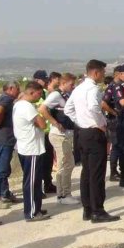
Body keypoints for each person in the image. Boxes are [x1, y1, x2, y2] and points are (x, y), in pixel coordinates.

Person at [65, 59, 120, 223]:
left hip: (82, 133)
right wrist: (100, 124)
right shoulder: (93, 89)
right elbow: (94, 108)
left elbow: (68, 109)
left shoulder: (79, 88)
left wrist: (81, 121)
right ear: (95, 72)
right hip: (94, 132)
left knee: (86, 172)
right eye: (103, 72)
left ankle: (87, 209)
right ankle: (98, 210)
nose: (104, 75)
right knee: (97, 173)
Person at [12, 82, 51, 222]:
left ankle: (36, 207)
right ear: (32, 92)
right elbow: (42, 124)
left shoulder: (19, 104)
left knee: (34, 180)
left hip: (27, 147)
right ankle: (32, 212)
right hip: (31, 148)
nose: (40, 97)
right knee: (32, 182)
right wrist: (40, 117)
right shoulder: (27, 107)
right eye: (39, 94)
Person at [40, 73, 78, 205]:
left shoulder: (66, 95)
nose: (73, 86)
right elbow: (43, 108)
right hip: (59, 134)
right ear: (63, 83)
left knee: (67, 164)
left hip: (67, 134)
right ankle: (64, 195)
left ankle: (63, 194)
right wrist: (54, 122)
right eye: (71, 84)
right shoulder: (56, 95)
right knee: (65, 164)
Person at [0, 81, 21, 208]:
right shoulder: (6, 99)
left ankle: (5, 193)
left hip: (5, 138)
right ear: (11, 88)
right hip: (4, 138)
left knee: (4, 167)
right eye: (17, 89)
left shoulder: (1, 98)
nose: (19, 91)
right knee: (1, 168)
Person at [33, 70, 58, 195]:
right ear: (37, 80)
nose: (47, 81)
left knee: (48, 160)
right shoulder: (32, 95)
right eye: (44, 79)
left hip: (47, 132)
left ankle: (48, 183)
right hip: (37, 132)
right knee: (39, 162)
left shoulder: (45, 93)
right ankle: (38, 187)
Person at [101, 70, 121, 181]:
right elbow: (103, 104)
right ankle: (113, 172)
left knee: (122, 145)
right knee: (116, 146)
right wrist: (114, 113)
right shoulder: (111, 87)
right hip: (114, 121)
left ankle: (121, 169)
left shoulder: (120, 86)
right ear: (118, 74)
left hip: (121, 120)